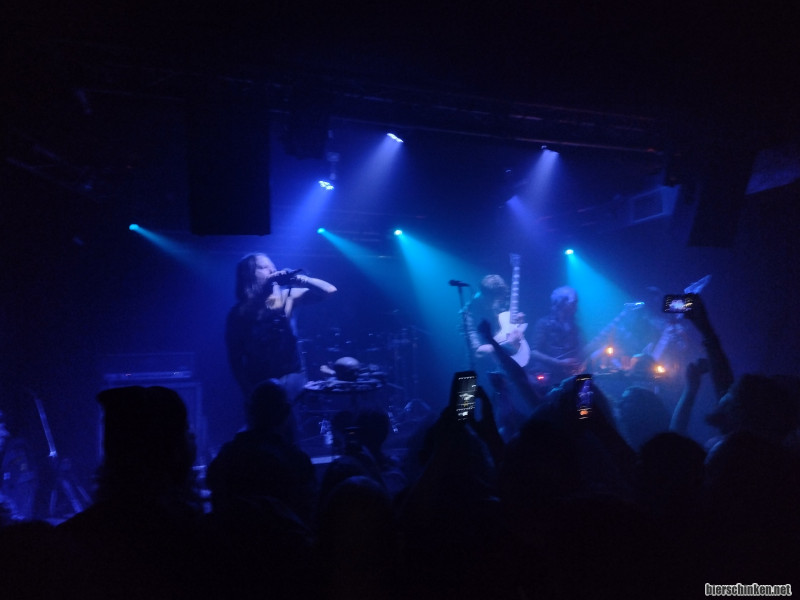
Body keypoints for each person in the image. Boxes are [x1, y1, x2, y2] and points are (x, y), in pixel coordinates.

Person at [226, 253, 337, 406]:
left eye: (273, 267)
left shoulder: (286, 298)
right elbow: (235, 359)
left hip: (292, 379)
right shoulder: (238, 314)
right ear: (248, 274)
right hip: (259, 385)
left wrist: (298, 279)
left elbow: (328, 290)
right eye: (264, 267)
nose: (272, 271)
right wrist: (247, 391)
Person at [528, 286, 585, 391]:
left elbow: (578, 352)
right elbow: (534, 352)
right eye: (573, 303)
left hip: (568, 378)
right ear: (561, 302)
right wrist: (559, 363)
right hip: (548, 379)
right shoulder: (543, 323)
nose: (576, 307)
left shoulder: (574, 327)